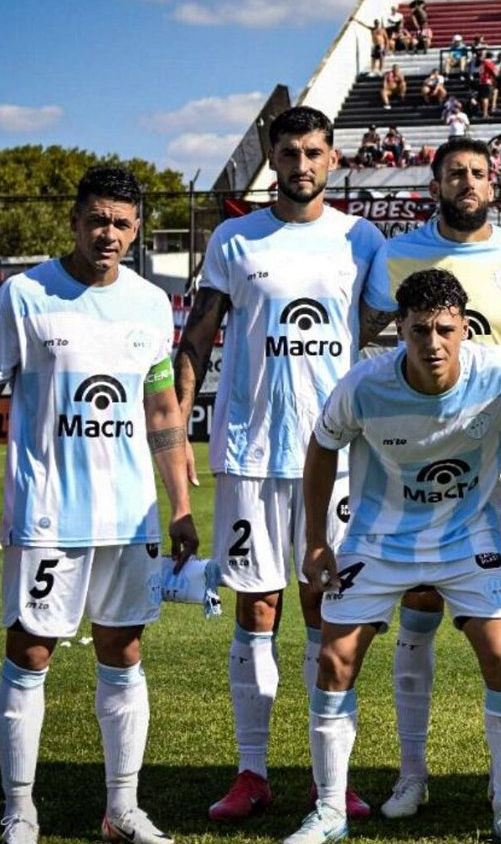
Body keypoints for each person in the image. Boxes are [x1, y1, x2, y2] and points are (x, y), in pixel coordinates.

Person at [284, 270, 501, 844]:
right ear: (400, 330)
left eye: (445, 329)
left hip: (468, 538)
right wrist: (317, 540)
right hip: (379, 539)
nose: (433, 343)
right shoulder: (364, 384)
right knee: (334, 660)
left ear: (465, 328)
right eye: (420, 330)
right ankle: (329, 810)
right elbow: (322, 446)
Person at [0, 165, 198, 844]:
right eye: (97, 220)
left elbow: (162, 409)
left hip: (129, 515)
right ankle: (20, 810)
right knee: (30, 651)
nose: (109, 234)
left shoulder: (151, 303)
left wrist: (180, 503)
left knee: (124, 650)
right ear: (74, 220)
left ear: (138, 229)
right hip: (47, 511)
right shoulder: (25, 294)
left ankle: (121, 811)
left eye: (122, 223)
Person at [173, 106, 386, 824]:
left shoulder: (361, 239)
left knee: (329, 609)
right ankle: (252, 771)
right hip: (251, 451)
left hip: (337, 456)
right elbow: (197, 335)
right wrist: (179, 426)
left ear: (333, 159)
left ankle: (333, 778)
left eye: (313, 152)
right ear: (273, 157)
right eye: (289, 152)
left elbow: (384, 331)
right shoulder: (234, 239)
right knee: (256, 606)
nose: (301, 164)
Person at [358, 137, 501, 820]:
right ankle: (411, 775)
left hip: (498, 476)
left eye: (480, 172)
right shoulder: (396, 255)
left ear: (494, 182)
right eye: (456, 172)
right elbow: (361, 336)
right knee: (418, 616)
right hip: (416, 474)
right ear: (436, 183)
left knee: (500, 629)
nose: (469, 182)